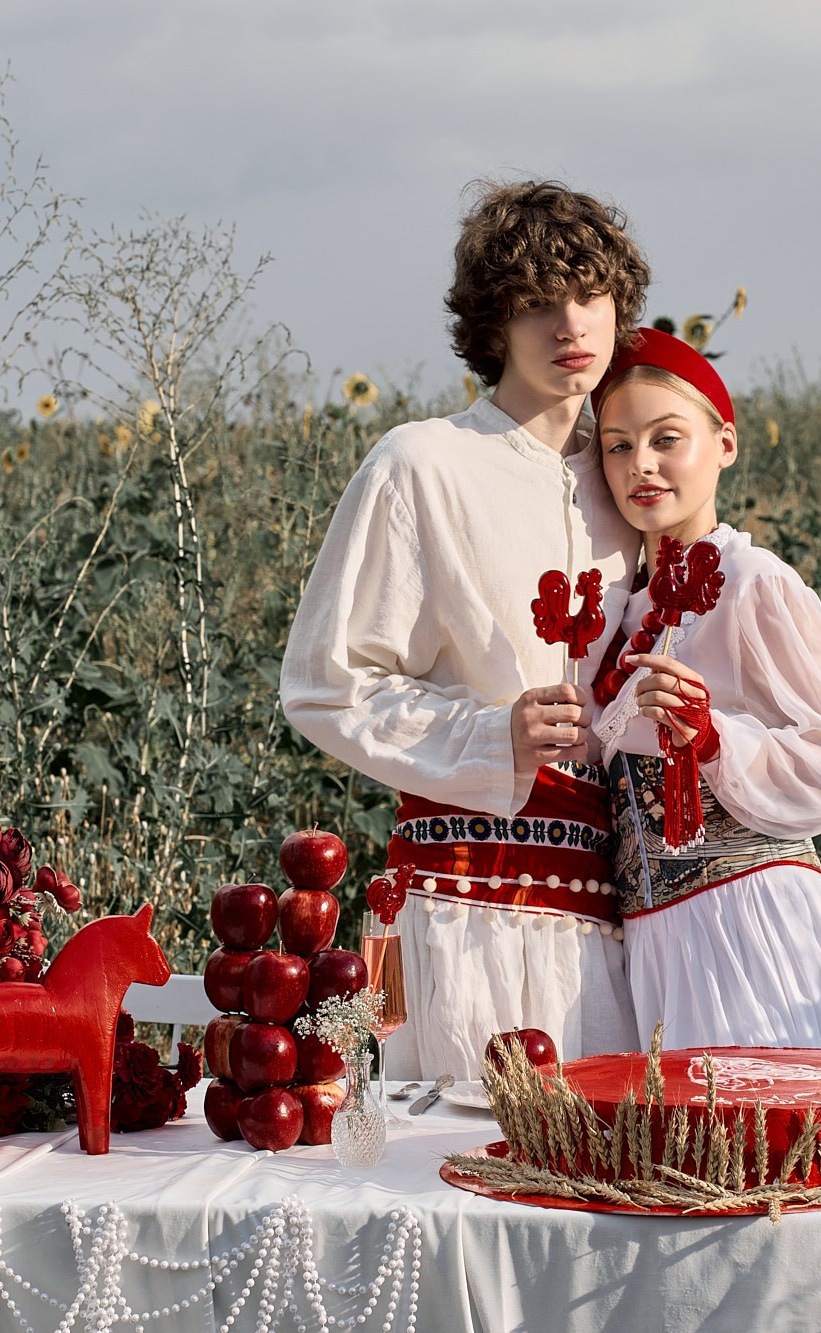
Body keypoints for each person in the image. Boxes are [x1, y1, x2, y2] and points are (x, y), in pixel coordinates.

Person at [280, 180, 648, 1081]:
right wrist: (494, 734)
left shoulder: (635, 472)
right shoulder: (422, 463)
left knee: (621, 1205)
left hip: (625, 925)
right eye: (536, 300)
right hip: (464, 911)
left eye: (589, 292)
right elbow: (328, 685)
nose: (570, 322)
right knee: (456, 1186)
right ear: (493, 323)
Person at [586, 328, 821, 1050]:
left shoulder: (753, 581)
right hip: (656, 947)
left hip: (753, 928)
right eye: (617, 444)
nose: (641, 464)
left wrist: (711, 737)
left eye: (666, 438)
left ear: (724, 443)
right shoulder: (621, 608)